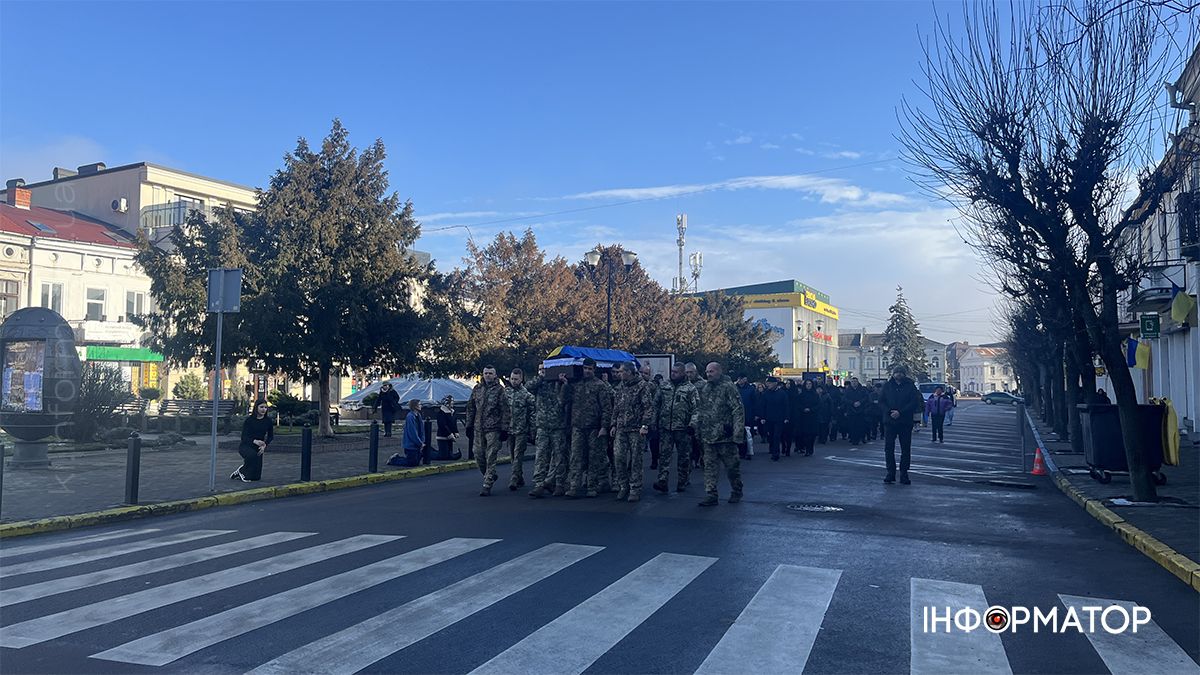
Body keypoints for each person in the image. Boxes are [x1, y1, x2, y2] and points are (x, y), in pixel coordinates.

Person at [696, 362, 745, 506]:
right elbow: (701, 410)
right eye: (707, 372)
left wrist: (737, 433)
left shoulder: (728, 387)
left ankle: (736, 490)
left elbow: (738, 410)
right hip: (708, 436)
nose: (708, 374)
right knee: (709, 467)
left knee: (732, 467)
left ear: (719, 371)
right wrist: (698, 428)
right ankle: (711, 494)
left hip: (725, 436)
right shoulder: (706, 388)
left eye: (711, 371)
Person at [563, 358, 612, 498]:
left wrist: (604, 427)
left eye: (590, 369)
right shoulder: (576, 384)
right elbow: (566, 401)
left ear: (594, 369)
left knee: (593, 457)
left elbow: (606, 408)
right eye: (585, 368)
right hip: (577, 426)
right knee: (575, 457)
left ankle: (592, 486)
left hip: (594, 427)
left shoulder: (600, 385)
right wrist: (565, 384)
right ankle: (574, 486)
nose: (587, 371)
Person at [611, 363, 655, 502]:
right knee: (618, 457)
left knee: (636, 460)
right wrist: (613, 424)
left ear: (629, 372)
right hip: (621, 428)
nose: (619, 374)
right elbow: (616, 407)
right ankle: (623, 485)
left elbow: (648, 407)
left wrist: (645, 425)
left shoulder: (642, 386)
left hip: (636, 429)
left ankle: (635, 488)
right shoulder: (621, 386)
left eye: (621, 371)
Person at [654, 363, 699, 493]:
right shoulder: (664, 386)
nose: (673, 374)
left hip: (683, 428)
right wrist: (653, 421)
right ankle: (662, 480)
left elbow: (696, 409)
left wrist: (692, 424)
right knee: (664, 455)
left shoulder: (690, 388)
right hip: (666, 427)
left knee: (684, 456)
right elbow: (656, 404)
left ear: (683, 373)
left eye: (676, 372)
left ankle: (682, 480)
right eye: (672, 371)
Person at [527, 364, 570, 498]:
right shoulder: (539, 384)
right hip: (542, 425)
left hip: (558, 426)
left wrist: (563, 383)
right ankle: (539, 484)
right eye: (540, 369)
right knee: (541, 457)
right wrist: (541, 377)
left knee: (559, 456)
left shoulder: (558, 383)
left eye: (545, 369)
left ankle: (559, 484)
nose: (543, 371)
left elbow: (564, 401)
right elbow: (528, 387)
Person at [468, 365, 511, 496]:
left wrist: (504, 429)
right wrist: (469, 425)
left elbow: (505, 410)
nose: (488, 375)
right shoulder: (477, 389)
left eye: (490, 373)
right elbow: (471, 407)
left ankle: (487, 483)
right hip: (478, 428)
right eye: (486, 373)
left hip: (494, 428)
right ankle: (489, 474)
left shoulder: (500, 390)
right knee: (478, 454)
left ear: (495, 375)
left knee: (491, 455)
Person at [880, 365, 923, 485]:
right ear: (893, 374)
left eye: (901, 372)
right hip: (890, 421)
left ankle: (904, 473)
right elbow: (882, 401)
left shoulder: (910, 386)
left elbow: (914, 402)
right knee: (889, 448)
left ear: (904, 374)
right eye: (896, 372)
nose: (898, 374)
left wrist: (900, 412)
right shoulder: (888, 386)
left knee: (905, 448)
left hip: (905, 421)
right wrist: (890, 412)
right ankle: (890, 473)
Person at [507, 368, 535, 491]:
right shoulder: (506, 392)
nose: (514, 381)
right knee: (512, 455)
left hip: (521, 430)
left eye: (516, 379)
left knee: (518, 454)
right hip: (509, 429)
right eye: (512, 379)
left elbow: (532, 412)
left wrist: (532, 429)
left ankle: (514, 478)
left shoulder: (526, 395)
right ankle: (519, 477)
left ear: (521, 379)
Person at [233, 399, 274, 481]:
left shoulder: (268, 421)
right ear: (256, 407)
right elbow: (244, 437)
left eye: (265, 407)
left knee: (256, 477)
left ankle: (240, 471)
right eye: (261, 407)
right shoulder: (249, 420)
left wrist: (264, 445)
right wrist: (255, 441)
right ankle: (242, 471)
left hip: (258, 447)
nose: (263, 409)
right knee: (252, 456)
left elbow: (270, 436)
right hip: (246, 446)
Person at [389, 399, 428, 467]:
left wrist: (422, 441)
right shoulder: (410, 416)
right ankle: (394, 460)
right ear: (415, 406)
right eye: (419, 404)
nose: (421, 405)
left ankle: (397, 458)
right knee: (411, 463)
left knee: (415, 462)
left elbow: (421, 430)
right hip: (411, 445)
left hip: (417, 444)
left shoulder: (418, 415)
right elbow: (412, 432)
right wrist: (420, 443)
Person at [758, 377, 788, 461]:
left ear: (775, 383)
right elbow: (762, 406)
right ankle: (772, 449)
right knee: (770, 435)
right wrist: (762, 417)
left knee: (776, 436)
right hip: (769, 418)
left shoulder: (782, 393)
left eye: (770, 383)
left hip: (779, 419)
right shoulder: (766, 394)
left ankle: (776, 453)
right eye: (767, 383)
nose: (768, 385)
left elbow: (786, 406)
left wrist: (786, 417)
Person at [641, 365, 663, 470]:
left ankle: (655, 459)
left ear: (650, 375)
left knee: (654, 440)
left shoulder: (652, 386)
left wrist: (654, 419)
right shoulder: (635, 385)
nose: (643, 375)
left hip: (651, 418)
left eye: (646, 373)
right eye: (641, 372)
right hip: (639, 418)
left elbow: (656, 403)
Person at [685, 362, 705, 468]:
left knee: (700, 440)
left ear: (695, 372)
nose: (689, 375)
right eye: (687, 372)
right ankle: (692, 459)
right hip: (687, 416)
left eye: (691, 372)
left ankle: (702, 458)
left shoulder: (703, 384)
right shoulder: (684, 384)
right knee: (688, 441)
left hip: (700, 416)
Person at [796, 379, 821, 456]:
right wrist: (803, 409)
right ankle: (807, 449)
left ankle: (810, 448)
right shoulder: (801, 395)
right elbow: (798, 404)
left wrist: (811, 409)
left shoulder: (815, 395)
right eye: (807, 384)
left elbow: (818, 405)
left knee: (812, 434)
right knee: (805, 434)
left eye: (810, 384)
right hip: (803, 416)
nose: (808, 385)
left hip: (813, 416)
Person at [736, 375, 757, 460]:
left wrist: (755, 414)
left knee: (748, 435)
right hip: (737, 415)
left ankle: (749, 452)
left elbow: (754, 402)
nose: (740, 380)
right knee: (739, 434)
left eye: (742, 379)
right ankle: (741, 452)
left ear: (745, 379)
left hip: (748, 414)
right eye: (739, 379)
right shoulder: (735, 388)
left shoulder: (750, 389)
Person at [844, 378, 870, 445]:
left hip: (861, 410)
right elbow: (845, 399)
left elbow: (866, 398)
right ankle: (853, 439)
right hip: (851, 410)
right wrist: (852, 403)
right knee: (852, 425)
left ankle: (861, 437)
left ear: (858, 382)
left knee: (860, 425)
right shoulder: (848, 390)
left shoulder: (862, 389)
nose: (854, 383)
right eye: (852, 381)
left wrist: (860, 402)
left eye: (855, 381)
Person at [435, 396, 462, 461]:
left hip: (450, 436)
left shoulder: (452, 412)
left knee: (448, 453)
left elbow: (454, 423)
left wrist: (456, 431)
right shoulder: (441, 413)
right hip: (442, 436)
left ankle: (451, 455)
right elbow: (443, 425)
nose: (452, 404)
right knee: (443, 456)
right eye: (451, 403)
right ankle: (428, 454)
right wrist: (449, 434)